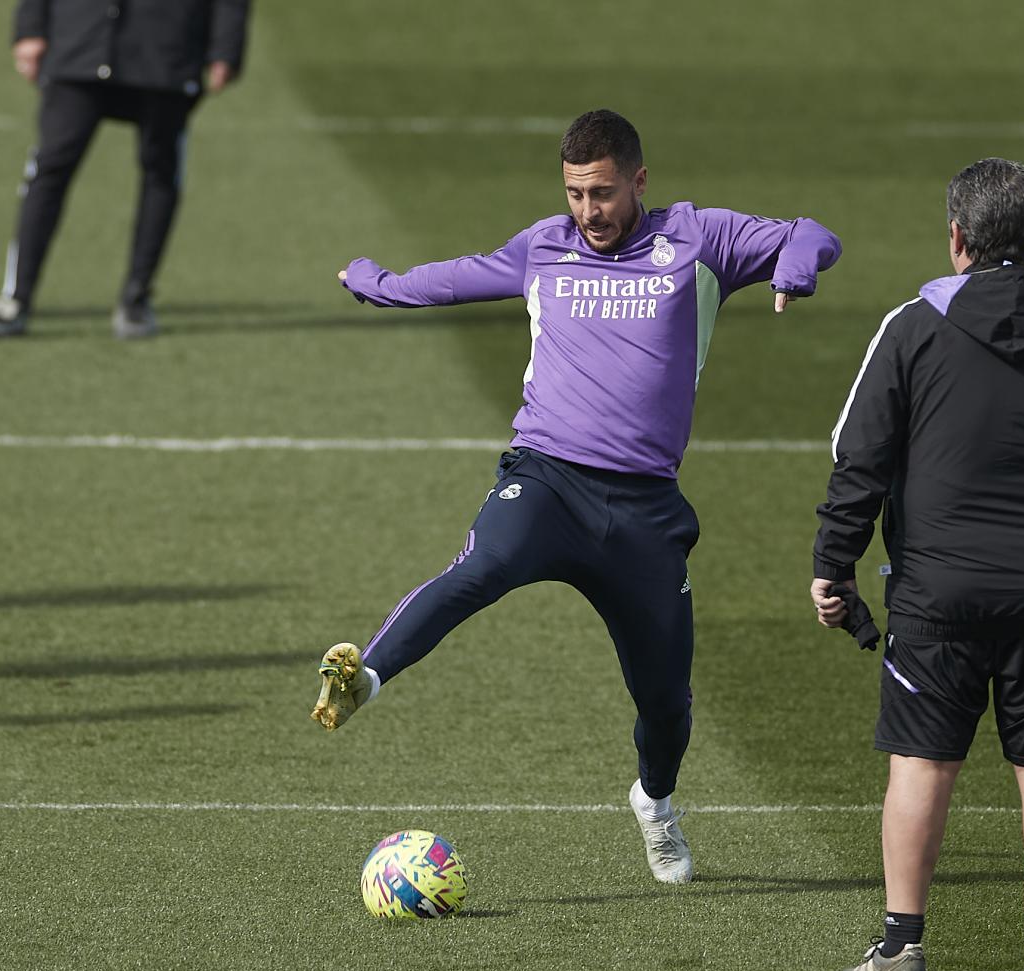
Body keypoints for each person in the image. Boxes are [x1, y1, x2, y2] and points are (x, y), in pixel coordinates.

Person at [312, 109, 842, 884]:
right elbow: (455, 278)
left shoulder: (699, 239)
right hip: (547, 479)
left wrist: (794, 269)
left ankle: (655, 801)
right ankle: (367, 677)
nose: (587, 212)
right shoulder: (545, 247)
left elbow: (813, 233)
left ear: (638, 180)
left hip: (644, 511)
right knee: (481, 567)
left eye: (601, 193)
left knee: (665, 702)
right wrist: (376, 284)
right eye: (574, 194)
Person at [811, 158, 1024, 971]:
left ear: (957, 236)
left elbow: (859, 459)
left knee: (922, 761)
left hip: (936, 595)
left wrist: (833, 564)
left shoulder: (910, 329)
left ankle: (901, 947)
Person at [0, 0, 250, 340]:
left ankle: (136, 298)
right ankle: (15, 299)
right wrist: (30, 27)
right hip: (80, 42)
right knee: (50, 167)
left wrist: (226, 47)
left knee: (161, 171)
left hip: (166, 48)